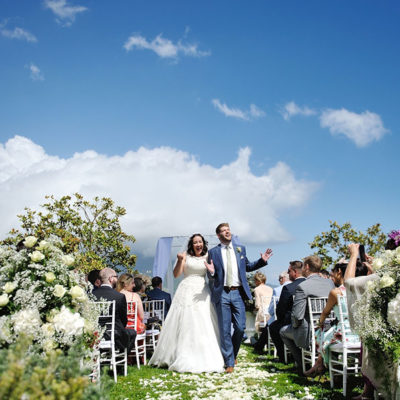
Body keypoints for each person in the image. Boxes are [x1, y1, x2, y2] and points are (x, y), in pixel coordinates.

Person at [149, 233, 224, 373]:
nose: (198, 244)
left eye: (200, 242)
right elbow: (176, 274)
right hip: (186, 289)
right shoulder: (185, 256)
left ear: (203, 243)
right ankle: (178, 353)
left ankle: (207, 353)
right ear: (191, 245)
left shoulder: (208, 256)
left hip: (202, 290)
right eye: (195, 242)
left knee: (204, 320)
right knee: (185, 321)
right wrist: (179, 260)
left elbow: (215, 273)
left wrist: (212, 272)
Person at [206, 222, 273, 373]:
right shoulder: (213, 252)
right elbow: (212, 273)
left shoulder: (240, 249)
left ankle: (233, 354)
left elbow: (247, 267)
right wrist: (211, 272)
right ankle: (229, 362)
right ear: (218, 235)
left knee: (240, 327)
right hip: (222, 292)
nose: (227, 232)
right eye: (223, 231)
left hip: (238, 293)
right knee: (224, 330)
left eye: (228, 230)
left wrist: (262, 261)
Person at [304, 262, 366, 378]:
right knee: (326, 334)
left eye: (333, 272)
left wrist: (320, 323)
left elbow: (325, 312)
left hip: (344, 334)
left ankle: (323, 366)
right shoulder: (363, 290)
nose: (332, 275)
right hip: (361, 334)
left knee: (319, 332)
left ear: (339, 272)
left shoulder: (336, 292)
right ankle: (320, 365)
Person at [280, 255, 334, 375]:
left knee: (283, 331)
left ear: (307, 267)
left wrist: (294, 326)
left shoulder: (303, 287)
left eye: (304, 266)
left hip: (311, 333)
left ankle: (302, 364)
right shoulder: (330, 283)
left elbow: (297, 316)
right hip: (330, 330)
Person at [265, 261, 305, 362]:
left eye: (289, 271)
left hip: (293, 323)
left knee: (274, 327)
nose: (288, 273)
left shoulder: (288, 288)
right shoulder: (309, 285)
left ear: (295, 272)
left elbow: (280, 311)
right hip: (311, 323)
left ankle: (284, 357)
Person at [93, 268, 136, 353]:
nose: (117, 279)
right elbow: (124, 320)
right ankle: (119, 361)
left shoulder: (91, 295)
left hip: (95, 334)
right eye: (116, 277)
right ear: (111, 278)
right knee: (132, 333)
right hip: (115, 335)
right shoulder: (119, 296)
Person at [253, 270, 291, 356]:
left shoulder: (277, 290)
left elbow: (260, 305)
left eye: (279, 279)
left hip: (271, 314)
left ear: (283, 278)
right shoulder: (270, 288)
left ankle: (259, 345)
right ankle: (259, 345)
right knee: (269, 324)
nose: (279, 281)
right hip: (289, 317)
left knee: (270, 325)